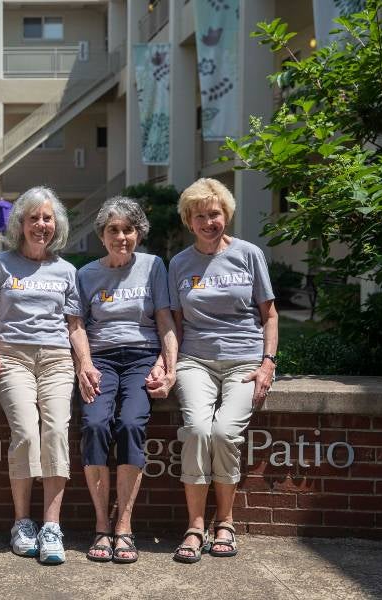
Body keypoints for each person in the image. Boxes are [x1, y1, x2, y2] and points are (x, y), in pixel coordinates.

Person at [0, 187, 85, 565]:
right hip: (12, 357)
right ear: (20, 223)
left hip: (56, 359)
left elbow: (74, 326)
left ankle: (51, 525)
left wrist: (84, 363)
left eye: (48, 218)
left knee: (55, 430)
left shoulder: (66, 270)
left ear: (57, 225)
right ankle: (22, 523)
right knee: (24, 428)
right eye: (34, 218)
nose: (41, 225)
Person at [168, 178, 278, 563]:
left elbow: (270, 315)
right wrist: (168, 364)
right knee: (197, 430)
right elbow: (176, 325)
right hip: (195, 360)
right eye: (200, 216)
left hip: (245, 361)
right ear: (189, 220)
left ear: (226, 214)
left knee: (225, 430)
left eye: (214, 213)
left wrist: (268, 363)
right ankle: (195, 527)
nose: (208, 221)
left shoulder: (249, 255)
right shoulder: (179, 263)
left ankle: (226, 522)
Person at [76, 197, 177, 565]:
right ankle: (102, 525)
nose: (121, 236)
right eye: (113, 230)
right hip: (101, 358)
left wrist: (169, 366)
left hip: (141, 358)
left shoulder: (153, 267)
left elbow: (165, 321)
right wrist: (84, 364)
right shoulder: (86, 274)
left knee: (131, 423)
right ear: (102, 235)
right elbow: (78, 326)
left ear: (139, 233)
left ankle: (125, 526)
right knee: (95, 423)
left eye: (128, 229)